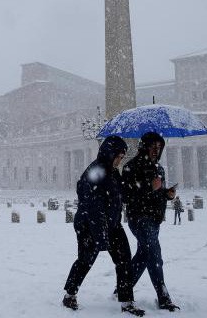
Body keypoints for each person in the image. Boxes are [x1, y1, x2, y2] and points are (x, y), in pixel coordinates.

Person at [62, 135, 145, 316]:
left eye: (122, 157)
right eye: (118, 156)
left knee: (124, 260)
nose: (119, 160)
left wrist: (140, 187)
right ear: (109, 153)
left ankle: (126, 302)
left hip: (112, 224)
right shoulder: (95, 172)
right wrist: (100, 237)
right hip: (89, 225)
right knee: (85, 260)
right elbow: (92, 206)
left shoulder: (113, 172)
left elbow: (122, 194)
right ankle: (70, 295)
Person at [121, 132, 180, 312]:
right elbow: (127, 196)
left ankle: (123, 287)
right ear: (144, 147)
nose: (156, 150)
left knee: (143, 255)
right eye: (153, 147)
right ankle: (163, 296)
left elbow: (158, 193)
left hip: (154, 219)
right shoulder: (131, 167)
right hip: (139, 218)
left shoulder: (158, 168)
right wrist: (148, 187)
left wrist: (167, 194)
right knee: (155, 254)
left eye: (159, 147)